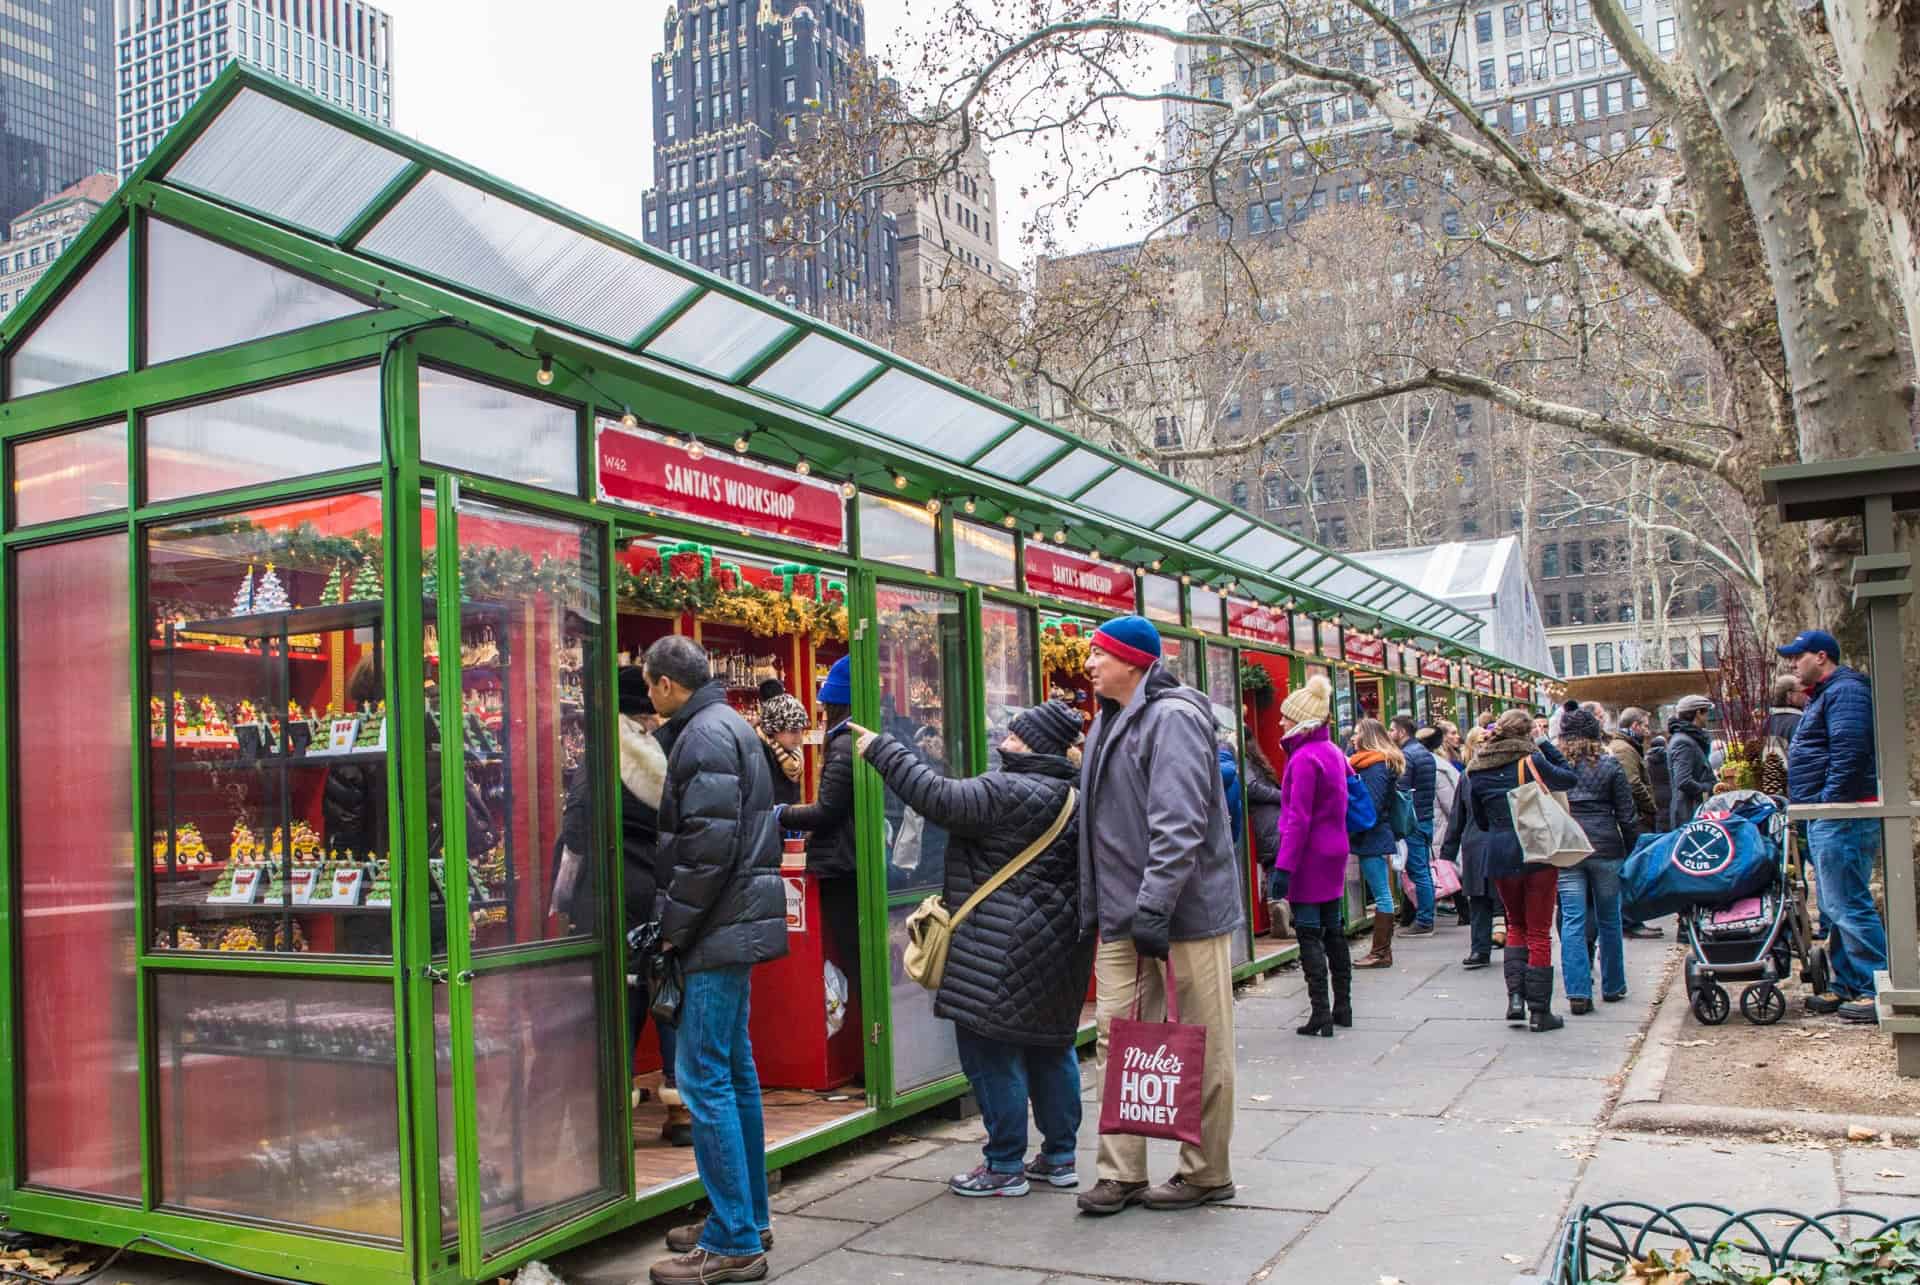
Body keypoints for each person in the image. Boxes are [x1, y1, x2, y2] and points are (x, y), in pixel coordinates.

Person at [853, 700, 1093, 1197]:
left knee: (991, 1049)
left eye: (1014, 734)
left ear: (1030, 744)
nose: (1004, 738)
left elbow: (936, 798)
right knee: (1051, 1047)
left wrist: (881, 749)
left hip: (998, 947)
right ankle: (1060, 1155)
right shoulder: (1074, 794)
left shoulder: (1005, 790)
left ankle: (1004, 1163)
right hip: (1058, 946)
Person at [1075, 614, 1241, 1217]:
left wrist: (1153, 906)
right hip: (1126, 915)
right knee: (1119, 1040)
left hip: (1184, 916)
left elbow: (1179, 824)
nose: (1089, 663)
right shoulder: (1109, 720)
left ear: (1133, 663)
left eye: (1099, 653)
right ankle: (1120, 1173)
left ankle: (1206, 1172)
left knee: (1201, 1041)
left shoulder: (1170, 719)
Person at [643, 635, 787, 1285]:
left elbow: (706, 851)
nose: (649, 696)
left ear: (668, 684)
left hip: (713, 929)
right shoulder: (729, 724)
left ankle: (732, 1237)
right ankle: (746, 1216)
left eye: (651, 684)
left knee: (704, 1079)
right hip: (735, 924)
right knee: (732, 1071)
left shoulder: (700, 737)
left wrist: (672, 931)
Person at [1780, 629, 1885, 1024]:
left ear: (1820, 657)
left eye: (1798, 656)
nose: (1792, 664)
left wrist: (1828, 801)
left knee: (1847, 902)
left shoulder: (1845, 692)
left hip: (1841, 814)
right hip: (1831, 813)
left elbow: (1850, 749)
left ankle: (1875, 986)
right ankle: (1850, 983)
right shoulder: (1832, 693)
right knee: (1834, 904)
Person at [1465, 708, 1579, 1032]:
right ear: (1527, 734)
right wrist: (1544, 742)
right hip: (1536, 850)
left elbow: (1481, 819)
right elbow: (1568, 777)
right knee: (1539, 930)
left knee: (1515, 924)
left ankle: (1515, 998)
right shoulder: (1530, 761)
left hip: (1499, 852)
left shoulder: (1477, 770)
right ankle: (1540, 1011)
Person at [1268, 675, 1354, 1036]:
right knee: (1334, 928)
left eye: (1287, 717)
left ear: (1302, 720)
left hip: (1309, 856)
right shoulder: (1333, 751)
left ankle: (1320, 1012)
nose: (1280, 722)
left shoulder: (1302, 759)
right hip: (1335, 849)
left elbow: (1298, 819)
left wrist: (1283, 867)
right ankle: (1343, 1005)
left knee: (1307, 932)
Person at [1553, 701, 1640, 1013]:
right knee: (1609, 918)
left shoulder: (1557, 769)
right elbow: (1627, 815)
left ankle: (1578, 992)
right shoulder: (1609, 765)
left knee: (1573, 920)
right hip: (1606, 848)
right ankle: (1613, 985)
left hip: (1569, 850)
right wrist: (1633, 849)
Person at [778, 656, 860, 983]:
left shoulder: (841, 746)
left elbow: (827, 811)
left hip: (840, 862)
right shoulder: (855, 741)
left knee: (848, 952)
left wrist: (779, 814)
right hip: (853, 859)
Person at [1347, 718, 1405, 969]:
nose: (1352, 738)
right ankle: (1381, 951)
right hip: (1375, 834)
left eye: (1357, 733)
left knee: (1382, 893)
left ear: (1368, 736)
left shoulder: (1375, 766)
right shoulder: (1371, 762)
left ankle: (1381, 952)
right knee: (1383, 892)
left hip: (1373, 836)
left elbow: (1371, 804)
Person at [1605, 706, 1664, 941]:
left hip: (1634, 816)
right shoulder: (1624, 749)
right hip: (1634, 817)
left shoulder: (1625, 747)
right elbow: (1632, 783)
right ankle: (1630, 920)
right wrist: (1650, 806)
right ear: (1635, 726)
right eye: (1645, 726)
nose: (1648, 731)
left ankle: (1632, 919)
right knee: (1631, 869)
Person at [1439, 728, 1494, 968]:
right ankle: (1486, 946)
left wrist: (1448, 852)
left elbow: (1457, 816)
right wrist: (1448, 852)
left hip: (1478, 842)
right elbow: (1458, 815)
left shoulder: (1470, 774)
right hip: (1486, 841)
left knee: (1480, 898)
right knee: (1484, 898)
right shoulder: (1470, 775)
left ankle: (1480, 949)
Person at [1389, 715, 1438, 936]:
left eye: (1392, 730)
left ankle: (1425, 920)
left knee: (1418, 871)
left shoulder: (1407, 755)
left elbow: (1402, 792)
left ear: (1401, 732)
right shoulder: (1424, 753)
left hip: (1414, 820)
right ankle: (1424, 916)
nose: (1390, 734)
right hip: (1425, 817)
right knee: (1423, 870)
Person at [1243, 734, 1288, 935]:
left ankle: (1278, 910)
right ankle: (1279, 909)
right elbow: (1251, 788)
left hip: (1265, 819)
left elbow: (1250, 788)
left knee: (1274, 863)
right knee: (1276, 862)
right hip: (1270, 818)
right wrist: (1283, 796)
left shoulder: (1242, 760)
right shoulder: (1253, 760)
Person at [1666, 695, 1717, 830]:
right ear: (1698, 713)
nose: (1707, 717)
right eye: (1706, 712)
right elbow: (1683, 781)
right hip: (1689, 814)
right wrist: (1708, 788)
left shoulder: (1686, 738)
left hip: (1691, 812)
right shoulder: (1684, 742)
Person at [756, 682, 808, 808]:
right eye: (793, 730)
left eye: (802, 730)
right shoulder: (760, 753)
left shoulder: (792, 754)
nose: (799, 737)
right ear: (773, 728)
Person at [1760, 674, 1803, 799]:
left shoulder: (1766, 722)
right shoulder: (1799, 722)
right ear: (1790, 695)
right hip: (1792, 789)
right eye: (1801, 691)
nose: (1806, 695)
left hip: (1768, 789)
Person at [1646, 732, 1673, 833]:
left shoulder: (1647, 760)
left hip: (1655, 794)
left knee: (1660, 819)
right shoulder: (1668, 758)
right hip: (1669, 792)